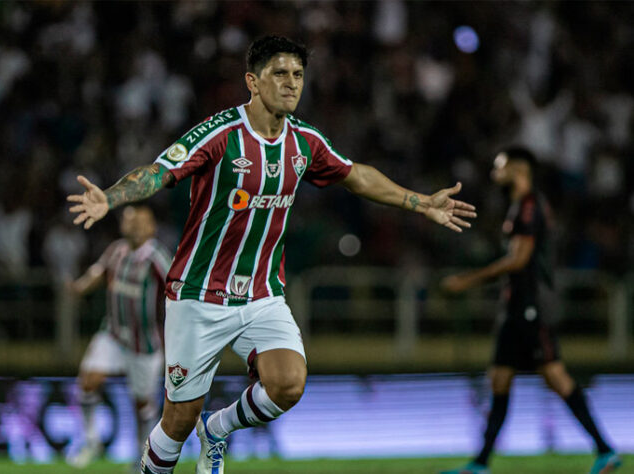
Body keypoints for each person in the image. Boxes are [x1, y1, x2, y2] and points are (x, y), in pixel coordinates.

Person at [67, 35, 477, 474]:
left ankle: (218, 428)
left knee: (288, 384)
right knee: (175, 422)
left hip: (262, 295)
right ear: (253, 81)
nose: (291, 83)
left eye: (298, 75)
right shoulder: (220, 133)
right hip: (198, 296)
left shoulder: (304, 142)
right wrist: (110, 199)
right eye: (279, 73)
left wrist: (420, 202)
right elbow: (158, 171)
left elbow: (356, 176)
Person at [440, 147, 621, 474]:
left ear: (517, 168)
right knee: (499, 378)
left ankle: (606, 449)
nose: (495, 172)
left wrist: (467, 282)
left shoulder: (528, 205)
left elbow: (519, 260)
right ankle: (480, 464)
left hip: (530, 306)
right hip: (517, 307)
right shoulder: (523, 205)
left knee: (554, 376)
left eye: (499, 166)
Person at [66, 205, 172, 469]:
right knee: (88, 382)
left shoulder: (157, 257)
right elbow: (98, 272)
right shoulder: (116, 250)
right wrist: (79, 287)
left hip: (144, 340)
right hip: (112, 332)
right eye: (129, 221)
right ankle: (91, 441)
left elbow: (176, 289)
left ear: (152, 227)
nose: (134, 225)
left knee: (142, 405)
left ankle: (143, 455)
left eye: (140, 221)